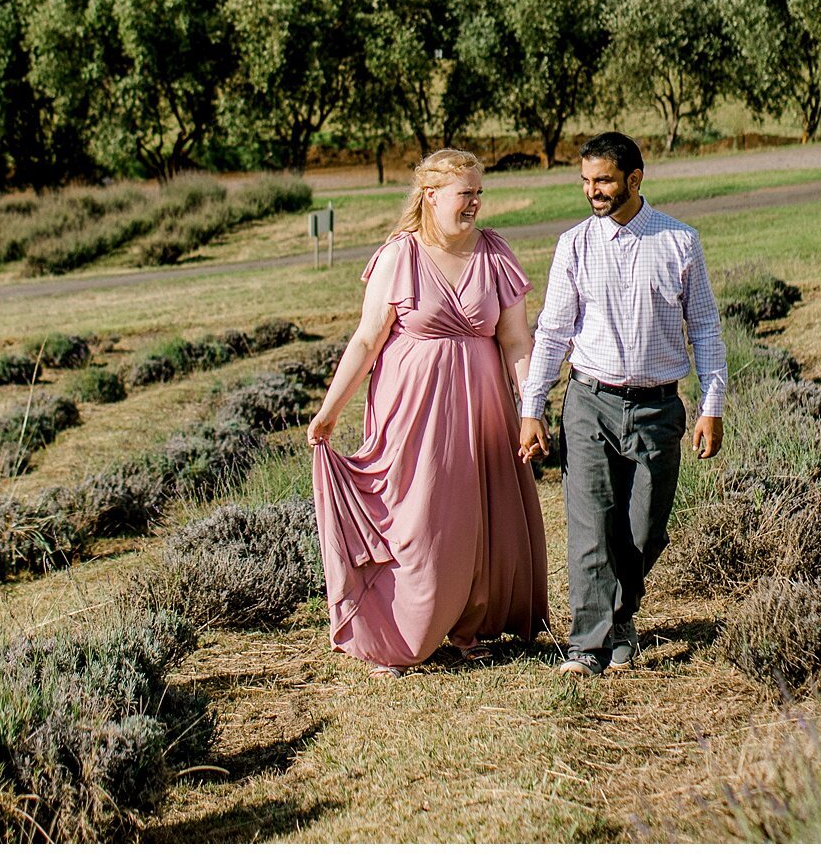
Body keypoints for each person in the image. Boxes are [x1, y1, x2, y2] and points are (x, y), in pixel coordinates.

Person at [308, 147, 549, 676]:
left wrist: (532, 405)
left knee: (474, 513)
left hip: (482, 407)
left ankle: (472, 626)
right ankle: (396, 633)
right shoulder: (400, 256)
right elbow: (368, 338)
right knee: (413, 514)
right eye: (466, 194)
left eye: (480, 193)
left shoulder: (496, 255)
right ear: (431, 196)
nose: (475, 204)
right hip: (411, 410)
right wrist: (329, 410)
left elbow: (514, 340)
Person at [517, 131, 727, 676]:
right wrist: (532, 406)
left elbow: (703, 326)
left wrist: (712, 404)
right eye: (586, 181)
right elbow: (553, 332)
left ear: (635, 179)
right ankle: (588, 646)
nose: (593, 191)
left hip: (659, 409)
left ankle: (620, 617)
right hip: (589, 403)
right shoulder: (573, 245)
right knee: (590, 531)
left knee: (643, 532)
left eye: (604, 180)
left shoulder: (680, 242)